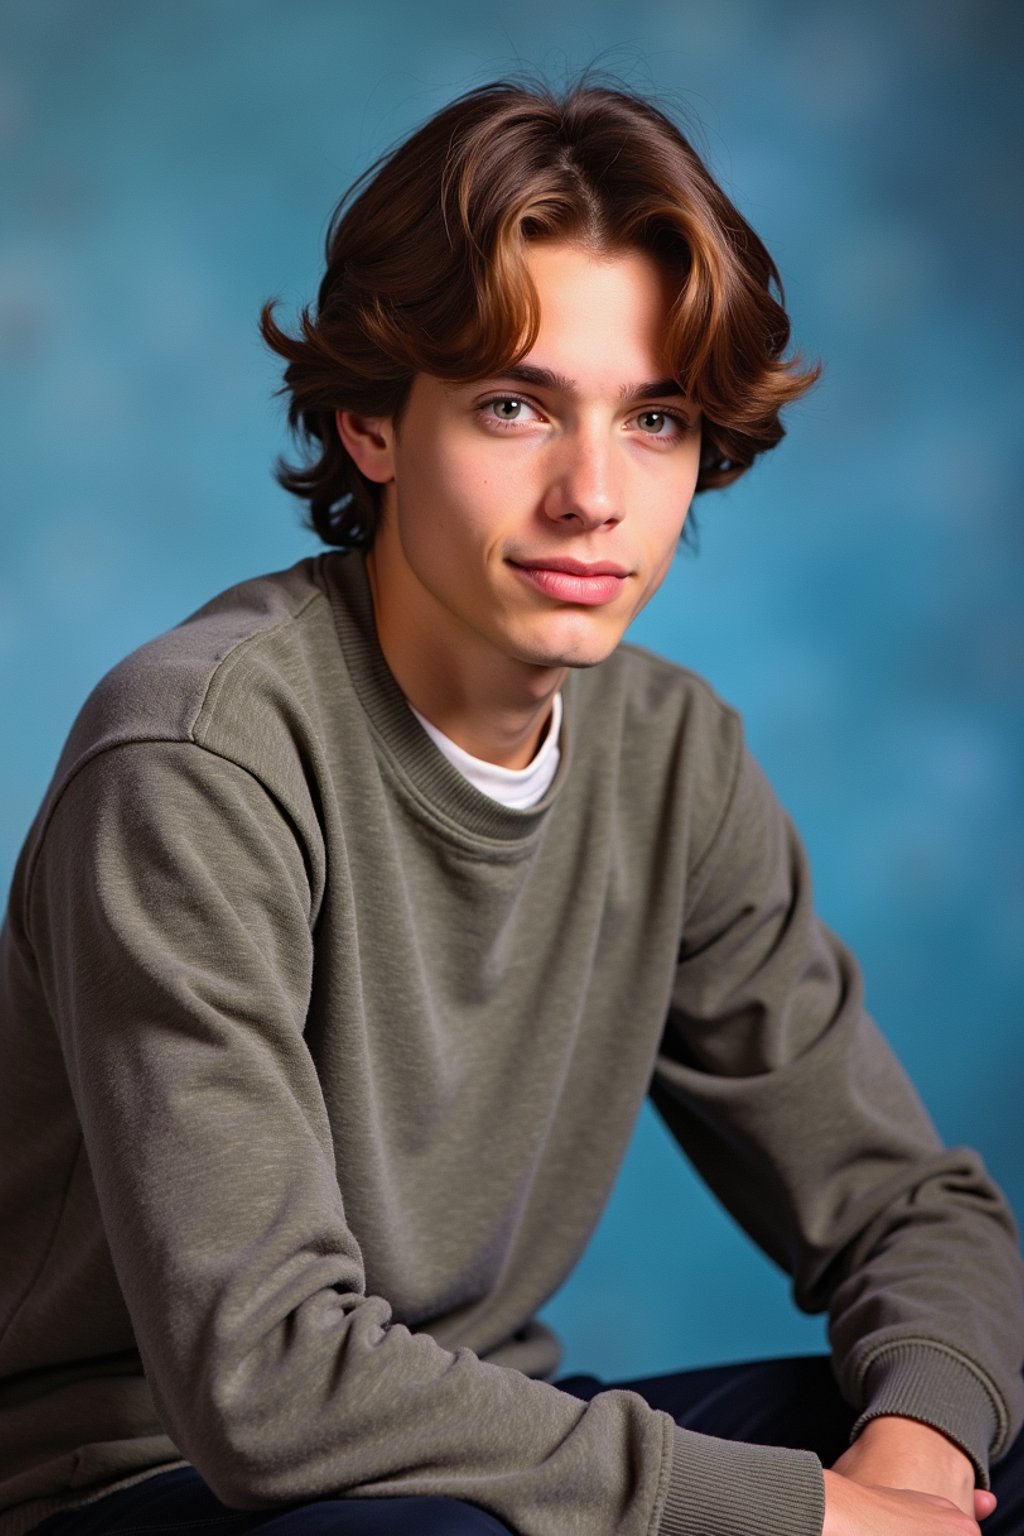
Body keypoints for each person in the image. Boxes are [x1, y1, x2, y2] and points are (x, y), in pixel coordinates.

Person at [0, 77, 1021, 1536]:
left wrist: (917, 1485)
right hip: (151, 1477)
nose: (593, 494)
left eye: (654, 419)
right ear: (371, 423)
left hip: (484, 1438)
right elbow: (271, 1384)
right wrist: (814, 1520)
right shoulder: (195, 761)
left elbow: (915, 1214)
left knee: (982, 1436)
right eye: (514, 406)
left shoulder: (673, 755)